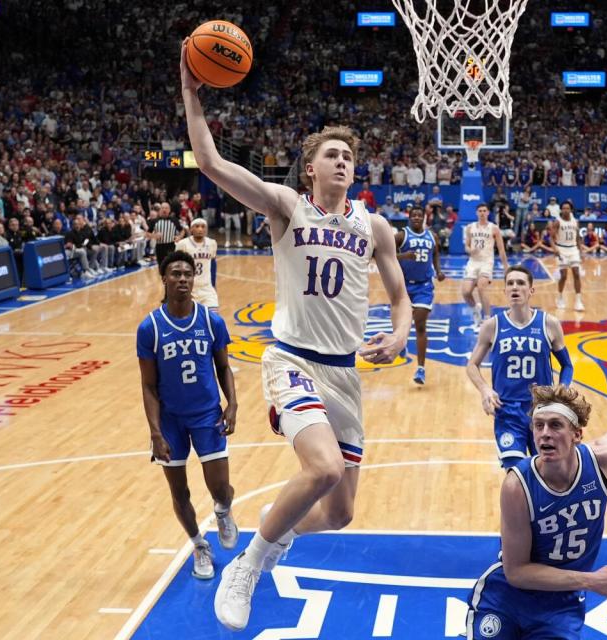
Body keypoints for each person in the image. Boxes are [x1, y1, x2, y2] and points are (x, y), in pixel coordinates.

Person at [180, 43, 411, 631]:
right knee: (325, 470)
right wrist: (191, 93)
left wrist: (401, 335)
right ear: (311, 168)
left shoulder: (375, 226)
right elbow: (209, 163)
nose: (342, 163)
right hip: (292, 361)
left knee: (339, 512)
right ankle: (248, 566)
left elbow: (402, 298)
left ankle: (273, 528)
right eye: (332, 155)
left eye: (349, 157)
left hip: (344, 373)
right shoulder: (286, 208)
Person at [465, 379, 607, 639]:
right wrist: (591, 580)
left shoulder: (601, 461)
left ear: (577, 434)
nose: (545, 433)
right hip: (507, 598)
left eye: (555, 425)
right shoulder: (517, 485)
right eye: (538, 425)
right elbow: (517, 572)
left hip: (561, 605)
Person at [136, 251, 239, 581]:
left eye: (188, 274)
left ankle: (223, 511)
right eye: (176, 274)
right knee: (179, 493)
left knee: (221, 488)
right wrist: (155, 432)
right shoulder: (150, 327)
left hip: (207, 415)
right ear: (164, 279)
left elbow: (223, 366)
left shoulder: (211, 321)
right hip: (171, 422)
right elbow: (149, 386)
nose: (183, 279)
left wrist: (232, 404)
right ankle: (199, 546)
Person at [467, 265, 574, 467]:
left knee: (547, 471)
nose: (515, 287)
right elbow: (472, 365)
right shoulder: (492, 326)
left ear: (531, 290)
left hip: (543, 411)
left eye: (521, 283)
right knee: (516, 473)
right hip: (507, 411)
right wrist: (484, 390)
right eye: (510, 283)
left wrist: (563, 387)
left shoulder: (548, 323)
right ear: (505, 290)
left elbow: (567, 365)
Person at [395, 205, 446, 385]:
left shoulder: (432, 236)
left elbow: (436, 255)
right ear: (409, 217)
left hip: (424, 287)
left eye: (419, 215)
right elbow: (386, 255)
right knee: (402, 322)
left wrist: (439, 271)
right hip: (403, 287)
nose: (417, 218)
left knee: (420, 324)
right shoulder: (401, 236)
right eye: (414, 215)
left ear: (424, 218)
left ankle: (421, 369)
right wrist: (404, 256)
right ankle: (401, 343)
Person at [463, 203, 508, 327]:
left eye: (484, 211)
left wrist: (506, 267)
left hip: (486, 262)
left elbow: (501, 249)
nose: (482, 213)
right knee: (466, 292)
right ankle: (475, 309)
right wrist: (470, 250)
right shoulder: (470, 227)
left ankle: (487, 318)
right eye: (480, 211)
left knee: (482, 287)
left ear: (488, 213)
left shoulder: (494, 228)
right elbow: (466, 246)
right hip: (473, 262)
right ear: (477, 213)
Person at [176, 218, 220, 308]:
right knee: (189, 320)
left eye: (203, 227)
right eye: (197, 226)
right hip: (188, 289)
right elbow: (176, 268)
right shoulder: (182, 244)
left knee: (213, 319)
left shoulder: (212, 243)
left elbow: (213, 265)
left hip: (206, 288)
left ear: (206, 229)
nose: (200, 229)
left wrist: (214, 285)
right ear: (191, 229)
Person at [549, 201, 584, 311]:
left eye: (567, 208)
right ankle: (559, 297)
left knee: (576, 273)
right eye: (563, 208)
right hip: (562, 249)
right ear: (561, 210)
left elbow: (578, 237)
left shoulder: (575, 221)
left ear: (571, 210)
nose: (565, 210)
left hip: (573, 249)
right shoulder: (557, 222)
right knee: (563, 276)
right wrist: (554, 249)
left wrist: (581, 251)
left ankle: (578, 301)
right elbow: (550, 238)